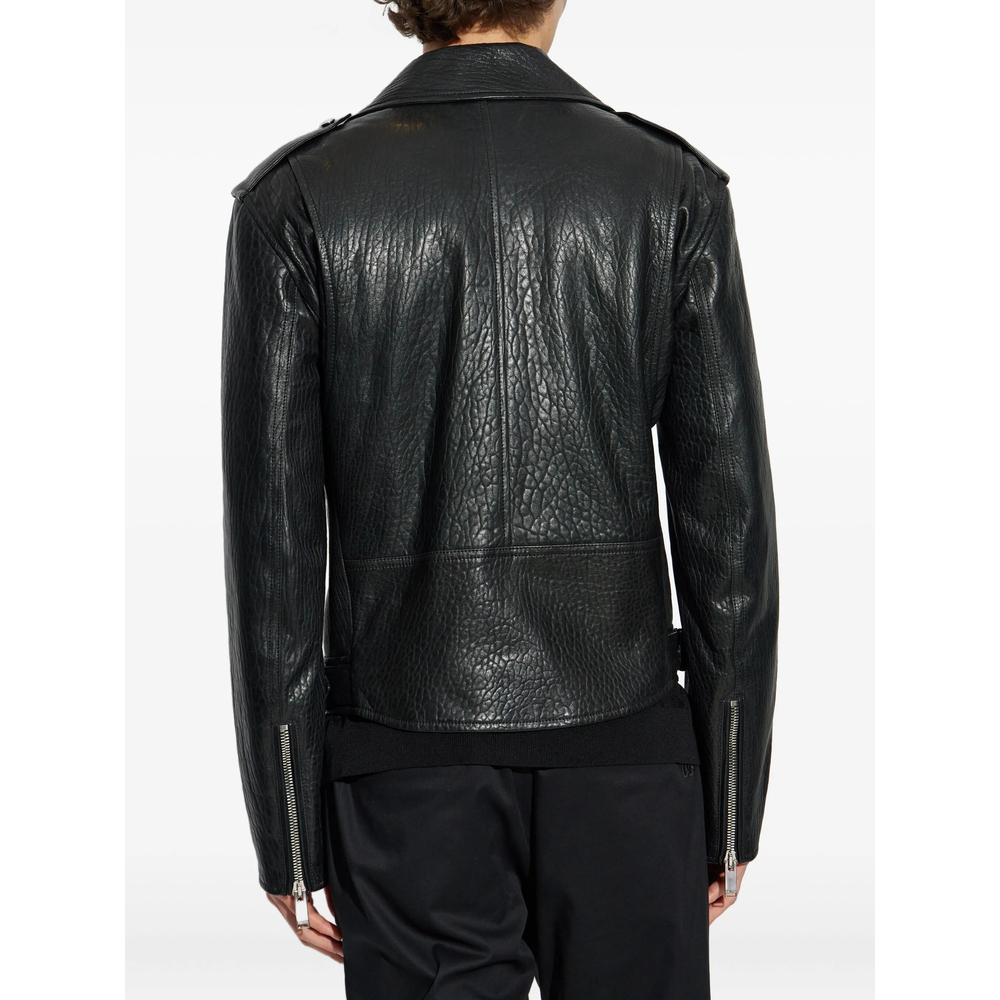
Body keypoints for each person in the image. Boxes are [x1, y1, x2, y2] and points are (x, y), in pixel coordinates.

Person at [220, 1, 778, 996]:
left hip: (404, 761)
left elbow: (275, 554)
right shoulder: (670, 187)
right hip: (626, 755)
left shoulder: (297, 199)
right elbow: (726, 532)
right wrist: (731, 803)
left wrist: (289, 834)